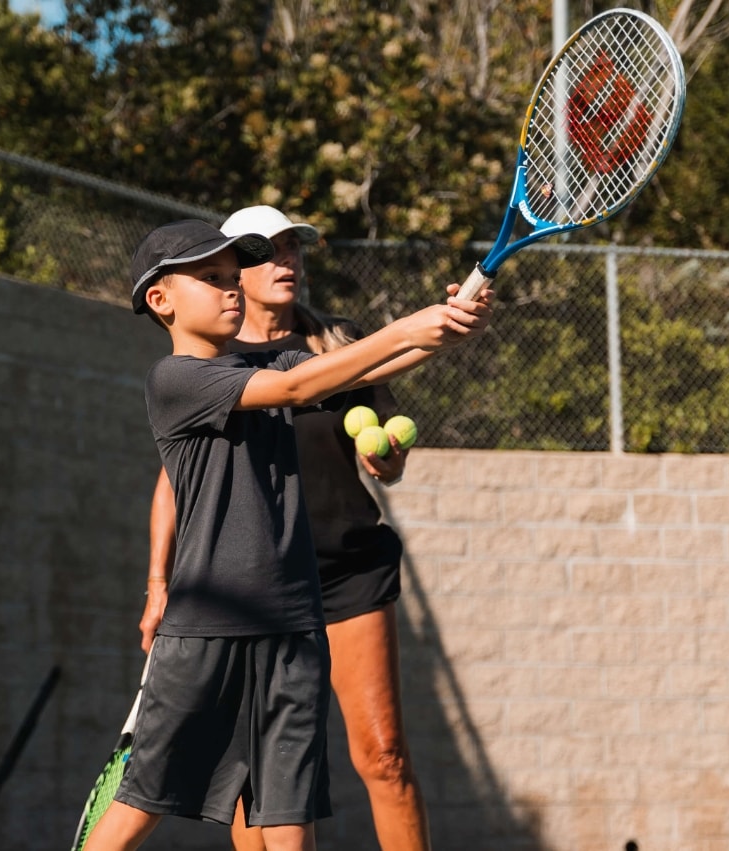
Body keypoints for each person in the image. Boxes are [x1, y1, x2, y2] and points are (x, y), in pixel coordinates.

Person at [84, 219, 492, 851]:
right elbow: (300, 387)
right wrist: (409, 326)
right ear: (160, 300)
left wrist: (450, 321)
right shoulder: (177, 380)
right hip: (208, 625)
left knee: (287, 819)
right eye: (212, 278)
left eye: (231, 278)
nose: (231, 290)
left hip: (296, 624)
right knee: (141, 804)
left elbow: (357, 371)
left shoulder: (272, 357)